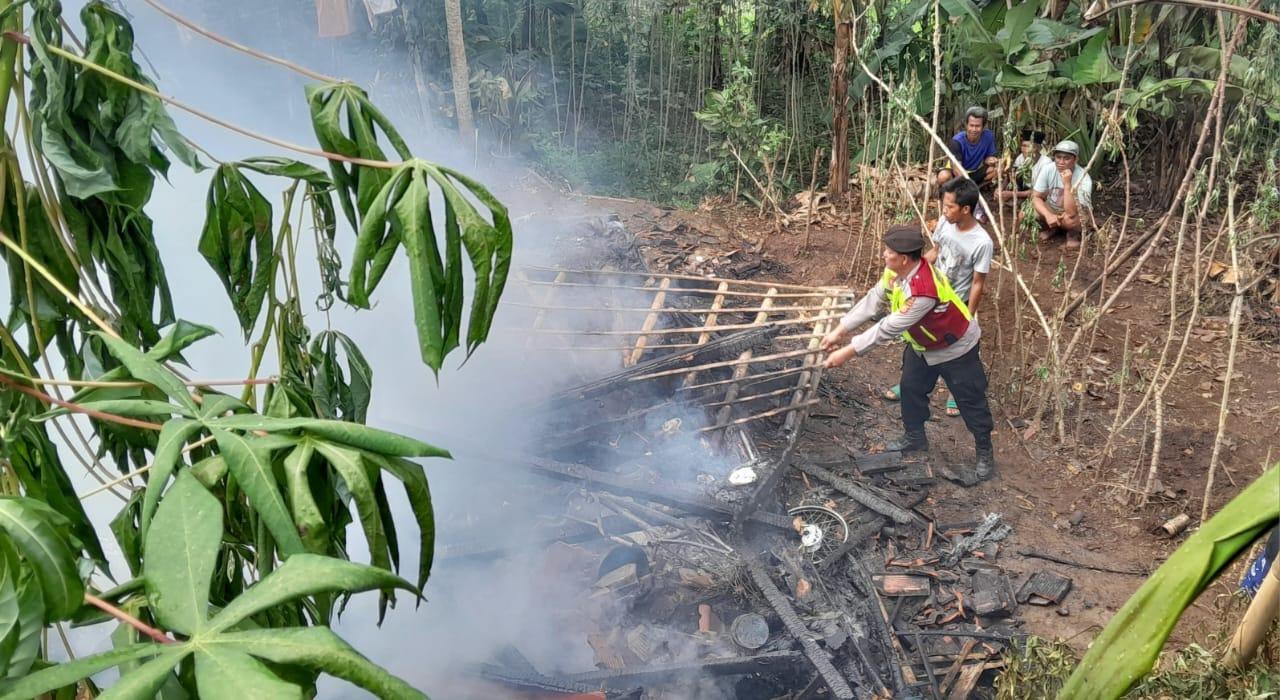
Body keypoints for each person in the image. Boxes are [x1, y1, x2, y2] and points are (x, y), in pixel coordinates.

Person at [822, 225, 996, 481]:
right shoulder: (895, 272)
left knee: (970, 401)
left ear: (904, 258)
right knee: (911, 388)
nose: (884, 255)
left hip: (956, 347)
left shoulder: (922, 292)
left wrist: (846, 352)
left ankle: (984, 450)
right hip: (923, 346)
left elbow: (887, 328)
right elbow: (873, 299)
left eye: (889, 252)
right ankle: (915, 437)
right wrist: (839, 330)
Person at [881, 178, 994, 417]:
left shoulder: (982, 242)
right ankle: (908, 383)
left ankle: (955, 393)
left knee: (958, 351)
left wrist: (969, 315)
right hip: (930, 296)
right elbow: (936, 251)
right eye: (944, 205)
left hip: (955, 304)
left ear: (966, 209)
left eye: (950, 206)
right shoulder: (945, 222)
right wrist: (908, 272)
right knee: (916, 341)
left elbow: (977, 283)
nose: (944, 211)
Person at [1032, 140, 1093, 250]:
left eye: (1066, 158)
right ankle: (1053, 228)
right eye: (1058, 157)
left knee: (1070, 220)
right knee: (1035, 211)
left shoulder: (1084, 178)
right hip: (1053, 209)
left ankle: (1072, 234)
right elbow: (1036, 196)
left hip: (1074, 213)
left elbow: (1072, 212)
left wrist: (1067, 184)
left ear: (1075, 160)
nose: (1061, 161)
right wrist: (1048, 215)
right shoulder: (1048, 169)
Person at [938, 106, 999, 189]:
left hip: (974, 172)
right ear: (966, 125)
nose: (974, 129)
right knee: (943, 176)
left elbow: (989, 157)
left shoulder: (988, 136)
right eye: (971, 125)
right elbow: (957, 170)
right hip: (957, 174)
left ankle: (978, 188)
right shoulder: (956, 141)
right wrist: (969, 185)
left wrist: (990, 160)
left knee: (995, 170)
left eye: (977, 126)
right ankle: (958, 190)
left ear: (983, 126)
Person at [999, 130, 1053, 202]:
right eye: (1023, 146)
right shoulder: (1020, 158)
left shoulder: (1046, 163)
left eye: (1029, 146)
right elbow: (1010, 176)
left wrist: (1012, 194)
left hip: (1039, 195)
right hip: (1023, 191)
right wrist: (1000, 189)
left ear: (1038, 148)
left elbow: (1041, 191)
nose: (1026, 150)